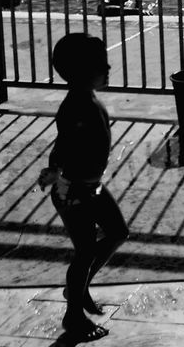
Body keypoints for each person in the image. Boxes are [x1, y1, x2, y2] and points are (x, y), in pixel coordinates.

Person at [37, 33, 128, 341]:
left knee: (117, 232)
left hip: (90, 186)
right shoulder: (77, 106)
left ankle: (79, 286)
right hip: (74, 191)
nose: (109, 66)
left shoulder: (87, 100)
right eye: (101, 63)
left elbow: (60, 145)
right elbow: (63, 145)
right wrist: (57, 174)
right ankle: (74, 315)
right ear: (82, 71)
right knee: (86, 250)